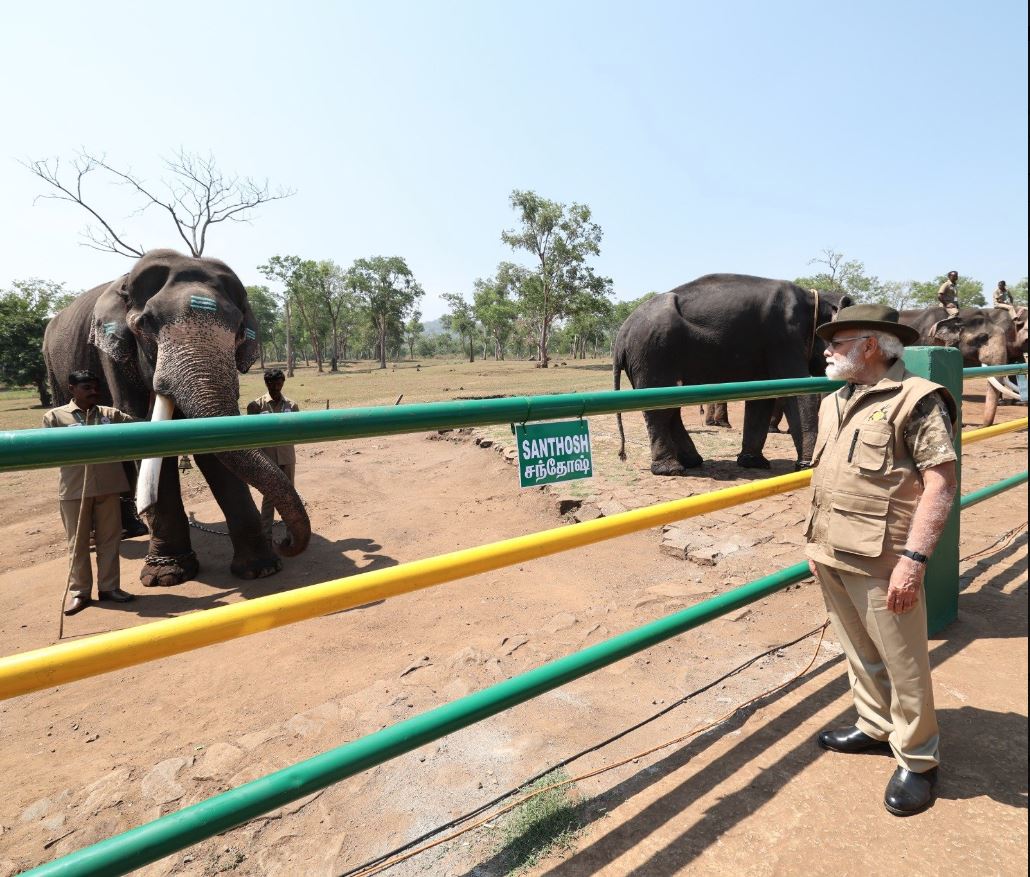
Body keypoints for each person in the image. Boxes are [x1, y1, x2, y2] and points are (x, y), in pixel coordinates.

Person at [804, 304, 958, 816]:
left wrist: (913, 561)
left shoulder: (917, 401)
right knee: (857, 649)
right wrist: (816, 545)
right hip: (831, 548)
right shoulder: (835, 402)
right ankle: (874, 724)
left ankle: (918, 759)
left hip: (883, 557)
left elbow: (940, 484)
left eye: (838, 342)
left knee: (905, 660)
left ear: (870, 346)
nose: (827, 350)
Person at [43, 370, 138, 615]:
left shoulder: (110, 415)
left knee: (110, 540)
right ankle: (80, 593)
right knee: (78, 543)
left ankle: (109, 588)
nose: (93, 391)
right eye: (86, 387)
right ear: (72, 388)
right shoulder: (54, 417)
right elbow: (48, 451)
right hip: (75, 490)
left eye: (95, 386)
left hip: (109, 487)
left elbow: (141, 428)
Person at [246, 368, 300, 539]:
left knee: (289, 496)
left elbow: (298, 430)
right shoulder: (256, 406)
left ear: (283, 383)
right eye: (271, 383)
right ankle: (265, 536)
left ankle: (291, 535)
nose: (275, 386)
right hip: (267, 459)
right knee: (269, 497)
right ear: (266, 383)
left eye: (278, 383)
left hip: (287, 457)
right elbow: (251, 434)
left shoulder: (292, 405)